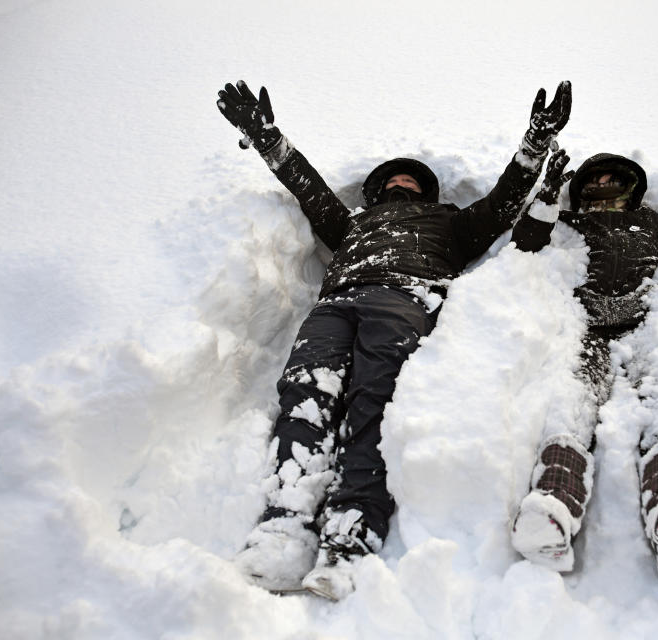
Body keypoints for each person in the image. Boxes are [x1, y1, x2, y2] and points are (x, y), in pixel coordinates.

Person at [215, 79, 572, 599]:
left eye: (411, 178)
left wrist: (533, 147)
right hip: (335, 305)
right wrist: (267, 138)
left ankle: (349, 537)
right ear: (376, 191)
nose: (402, 181)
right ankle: (283, 529)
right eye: (393, 178)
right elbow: (308, 187)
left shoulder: (451, 224)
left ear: (425, 192)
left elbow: (501, 204)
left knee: (374, 401)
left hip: (405, 301)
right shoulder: (351, 225)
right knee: (304, 397)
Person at [508, 150, 658, 582]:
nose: (603, 183)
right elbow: (527, 243)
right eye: (594, 179)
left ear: (631, 188)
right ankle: (553, 502)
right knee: (574, 402)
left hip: (644, 329)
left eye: (612, 177)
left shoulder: (651, 221)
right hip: (586, 328)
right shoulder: (570, 222)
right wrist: (545, 198)